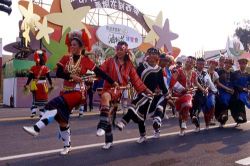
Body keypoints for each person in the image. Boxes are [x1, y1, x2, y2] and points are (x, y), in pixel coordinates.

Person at [23, 29, 117, 155]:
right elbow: (59, 73)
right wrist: (72, 76)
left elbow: (100, 73)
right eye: (71, 44)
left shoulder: (85, 60)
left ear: (81, 47)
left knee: (53, 104)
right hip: (65, 91)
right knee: (62, 119)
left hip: (78, 92)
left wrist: (113, 82)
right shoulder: (66, 58)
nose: (71, 47)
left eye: (74, 45)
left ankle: (36, 128)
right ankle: (67, 145)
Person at [96, 41, 152, 149]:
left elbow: (136, 80)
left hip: (119, 91)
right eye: (117, 49)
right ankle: (108, 140)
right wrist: (93, 73)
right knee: (108, 112)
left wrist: (145, 90)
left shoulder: (129, 65)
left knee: (106, 104)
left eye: (121, 49)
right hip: (108, 88)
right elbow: (100, 71)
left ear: (126, 51)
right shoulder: (109, 61)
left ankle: (103, 127)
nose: (119, 51)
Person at [116, 47, 169, 141]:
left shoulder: (159, 70)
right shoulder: (142, 67)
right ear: (147, 56)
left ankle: (156, 128)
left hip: (153, 96)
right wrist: (129, 84)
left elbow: (161, 84)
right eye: (150, 53)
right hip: (142, 94)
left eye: (154, 54)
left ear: (157, 57)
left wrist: (166, 94)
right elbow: (134, 78)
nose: (152, 55)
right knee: (139, 114)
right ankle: (142, 135)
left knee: (154, 109)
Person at [170, 56, 205, 136]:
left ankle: (185, 124)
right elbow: (172, 81)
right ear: (185, 61)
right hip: (178, 94)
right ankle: (182, 129)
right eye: (188, 62)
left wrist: (203, 89)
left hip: (190, 94)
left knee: (186, 104)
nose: (189, 64)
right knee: (181, 113)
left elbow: (196, 83)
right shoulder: (178, 71)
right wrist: (182, 89)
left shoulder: (194, 73)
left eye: (191, 63)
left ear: (193, 65)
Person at [189, 58, 217, 131]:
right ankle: (197, 126)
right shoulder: (193, 72)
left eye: (203, 64)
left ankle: (207, 123)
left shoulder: (205, 73)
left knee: (207, 108)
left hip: (204, 93)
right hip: (195, 93)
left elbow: (209, 83)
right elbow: (193, 83)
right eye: (199, 64)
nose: (201, 66)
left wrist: (212, 90)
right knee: (195, 109)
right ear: (196, 64)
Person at [24, 50, 53, 118]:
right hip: (43, 86)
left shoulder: (33, 68)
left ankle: (33, 112)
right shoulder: (46, 68)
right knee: (43, 100)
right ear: (44, 59)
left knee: (35, 99)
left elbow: (30, 77)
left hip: (35, 85)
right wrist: (51, 85)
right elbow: (49, 77)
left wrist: (27, 84)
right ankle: (41, 113)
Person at [215, 57, 235, 127]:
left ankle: (238, 118)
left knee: (237, 100)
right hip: (221, 91)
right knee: (224, 99)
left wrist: (233, 89)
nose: (228, 65)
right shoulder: (219, 72)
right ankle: (222, 120)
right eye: (227, 63)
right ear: (224, 63)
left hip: (230, 91)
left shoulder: (232, 73)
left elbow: (234, 82)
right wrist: (227, 89)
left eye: (230, 64)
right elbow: (217, 83)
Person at [230, 57, 250, 126]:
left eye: (244, 64)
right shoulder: (235, 73)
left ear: (246, 65)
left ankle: (240, 117)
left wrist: (248, 88)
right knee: (238, 102)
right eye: (241, 64)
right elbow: (234, 83)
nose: (243, 65)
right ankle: (238, 118)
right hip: (237, 92)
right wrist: (243, 89)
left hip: (245, 93)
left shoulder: (248, 74)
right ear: (239, 64)